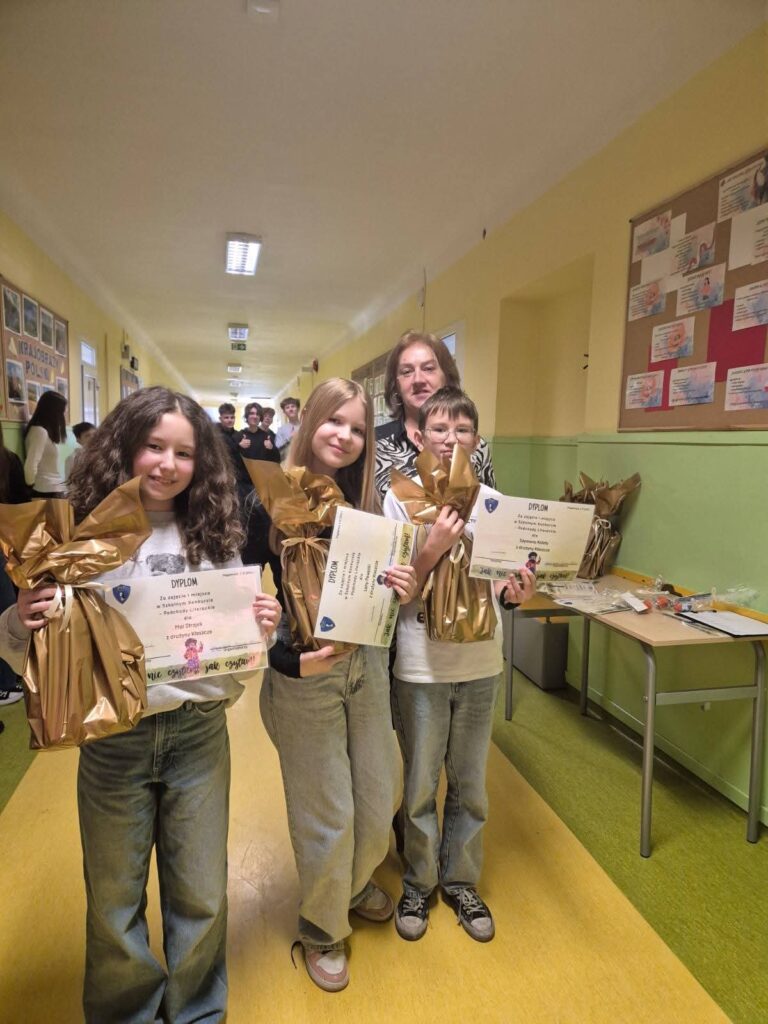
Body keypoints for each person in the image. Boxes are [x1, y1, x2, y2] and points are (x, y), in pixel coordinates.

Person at [0, 386, 281, 1022]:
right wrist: (22, 618)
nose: (167, 464)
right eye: (154, 446)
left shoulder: (216, 534)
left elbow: (231, 655)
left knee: (202, 893)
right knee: (113, 901)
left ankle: (196, 1011)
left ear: (201, 462)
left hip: (199, 736)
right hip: (114, 743)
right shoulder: (77, 536)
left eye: (184, 452)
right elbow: (26, 653)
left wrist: (257, 629)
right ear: (125, 447)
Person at [260, 377, 418, 993]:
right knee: (327, 810)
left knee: (380, 794)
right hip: (306, 678)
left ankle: (348, 888)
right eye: (334, 421)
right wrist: (285, 661)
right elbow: (239, 599)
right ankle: (323, 926)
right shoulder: (267, 499)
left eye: (357, 428)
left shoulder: (369, 504)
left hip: (366, 664)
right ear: (310, 421)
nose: (345, 436)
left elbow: (386, 591)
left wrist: (406, 586)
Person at [383, 387, 535, 944]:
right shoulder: (400, 499)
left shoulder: (494, 503)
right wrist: (433, 547)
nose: (451, 440)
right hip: (421, 666)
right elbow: (395, 593)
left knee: (471, 784)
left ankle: (461, 880)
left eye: (463, 430)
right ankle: (419, 882)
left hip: (480, 664)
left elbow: (503, 587)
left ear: (477, 439)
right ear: (418, 436)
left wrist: (517, 594)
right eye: (439, 429)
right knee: (420, 784)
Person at [375, 330, 496, 500]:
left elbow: (491, 506)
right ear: (396, 384)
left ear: (447, 376)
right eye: (407, 371)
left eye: (429, 368)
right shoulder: (374, 444)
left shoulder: (477, 446)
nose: (418, 379)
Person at [238, 402, 283, 591]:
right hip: (244, 494)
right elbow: (231, 461)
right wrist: (239, 447)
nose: (255, 416)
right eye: (252, 413)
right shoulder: (239, 436)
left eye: (258, 414)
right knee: (251, 559)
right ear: (247, 416)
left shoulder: (268, 436)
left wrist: (271, 448)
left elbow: (276, 461)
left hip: (266, 494)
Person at [0, 429, 28, 706]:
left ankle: (7, 679)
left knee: (10, 608)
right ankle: (6, 681)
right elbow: (21, 506)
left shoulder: (9, 461)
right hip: (9, 541)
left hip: (7, 544)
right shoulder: (9, 460)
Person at [23, 389, 67, 496]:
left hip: (52, 487)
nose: (63, 415)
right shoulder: (39, 431)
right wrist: (30, 486)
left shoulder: (45, 431)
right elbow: (31, 464)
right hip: (45, 489)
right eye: (61, 411)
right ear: (52, 411)